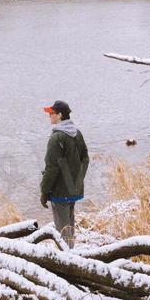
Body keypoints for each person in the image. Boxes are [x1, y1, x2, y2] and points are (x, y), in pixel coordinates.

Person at [39, 99, 88, 247]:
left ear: (60, 115)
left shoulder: (56, 138)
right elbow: (85, 159)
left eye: (52, 113)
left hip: (60, 192)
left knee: (62, 231)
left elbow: (51, 168)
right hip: (73, 189)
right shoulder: (77, 133)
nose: (50, 116)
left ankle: (67, 261)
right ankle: (71, 255)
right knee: (69, 227)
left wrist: (44, 192)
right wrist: (77, 180)